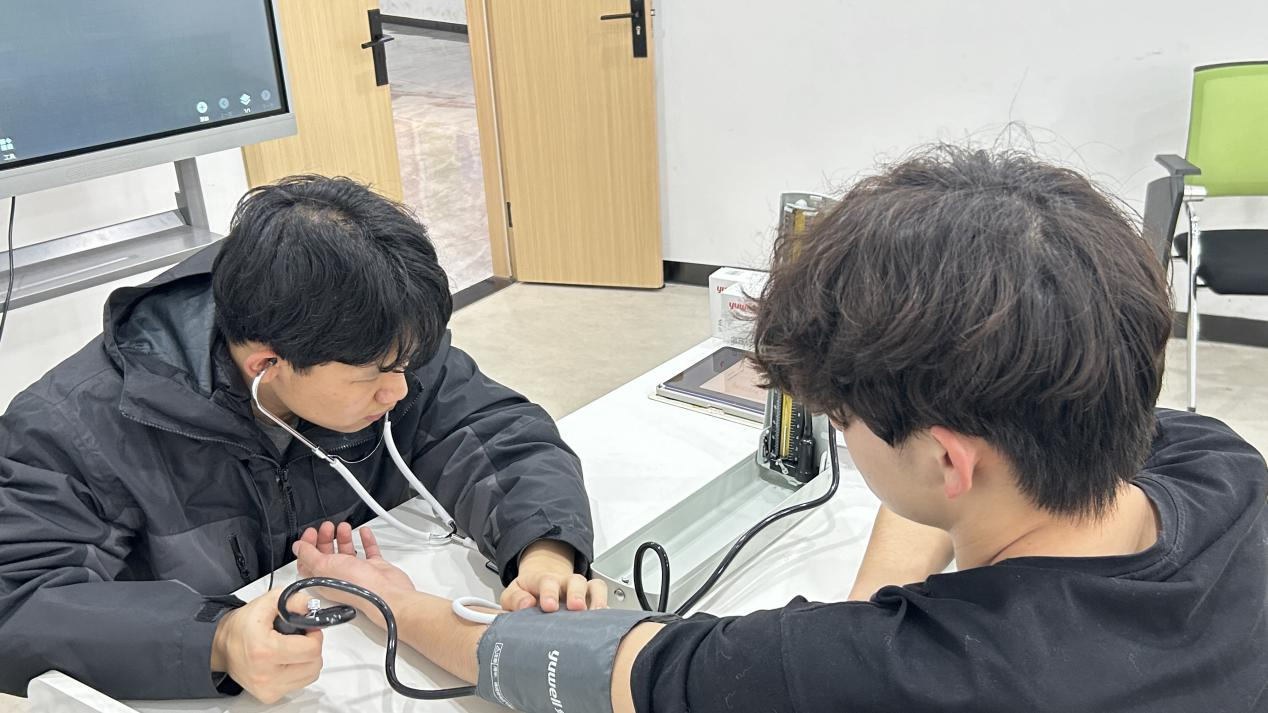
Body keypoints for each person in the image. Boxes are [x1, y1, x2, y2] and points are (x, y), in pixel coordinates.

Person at [294, 147, 1268, 712]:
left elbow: (585, 665)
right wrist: (870, 623)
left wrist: (391, 599)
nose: (841, 431)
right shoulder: (1224, 468)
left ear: (946, 458)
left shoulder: (905, 677)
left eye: (845, 419)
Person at [0, 175, 604, 703]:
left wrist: (544, 552)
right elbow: (17, 606)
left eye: (407, 365)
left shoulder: (380, 338)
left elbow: (496, 431)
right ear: (268, 366)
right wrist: (217, 640)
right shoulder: (70, 428)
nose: (399, 390)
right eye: (374, 376)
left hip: (362, 662)